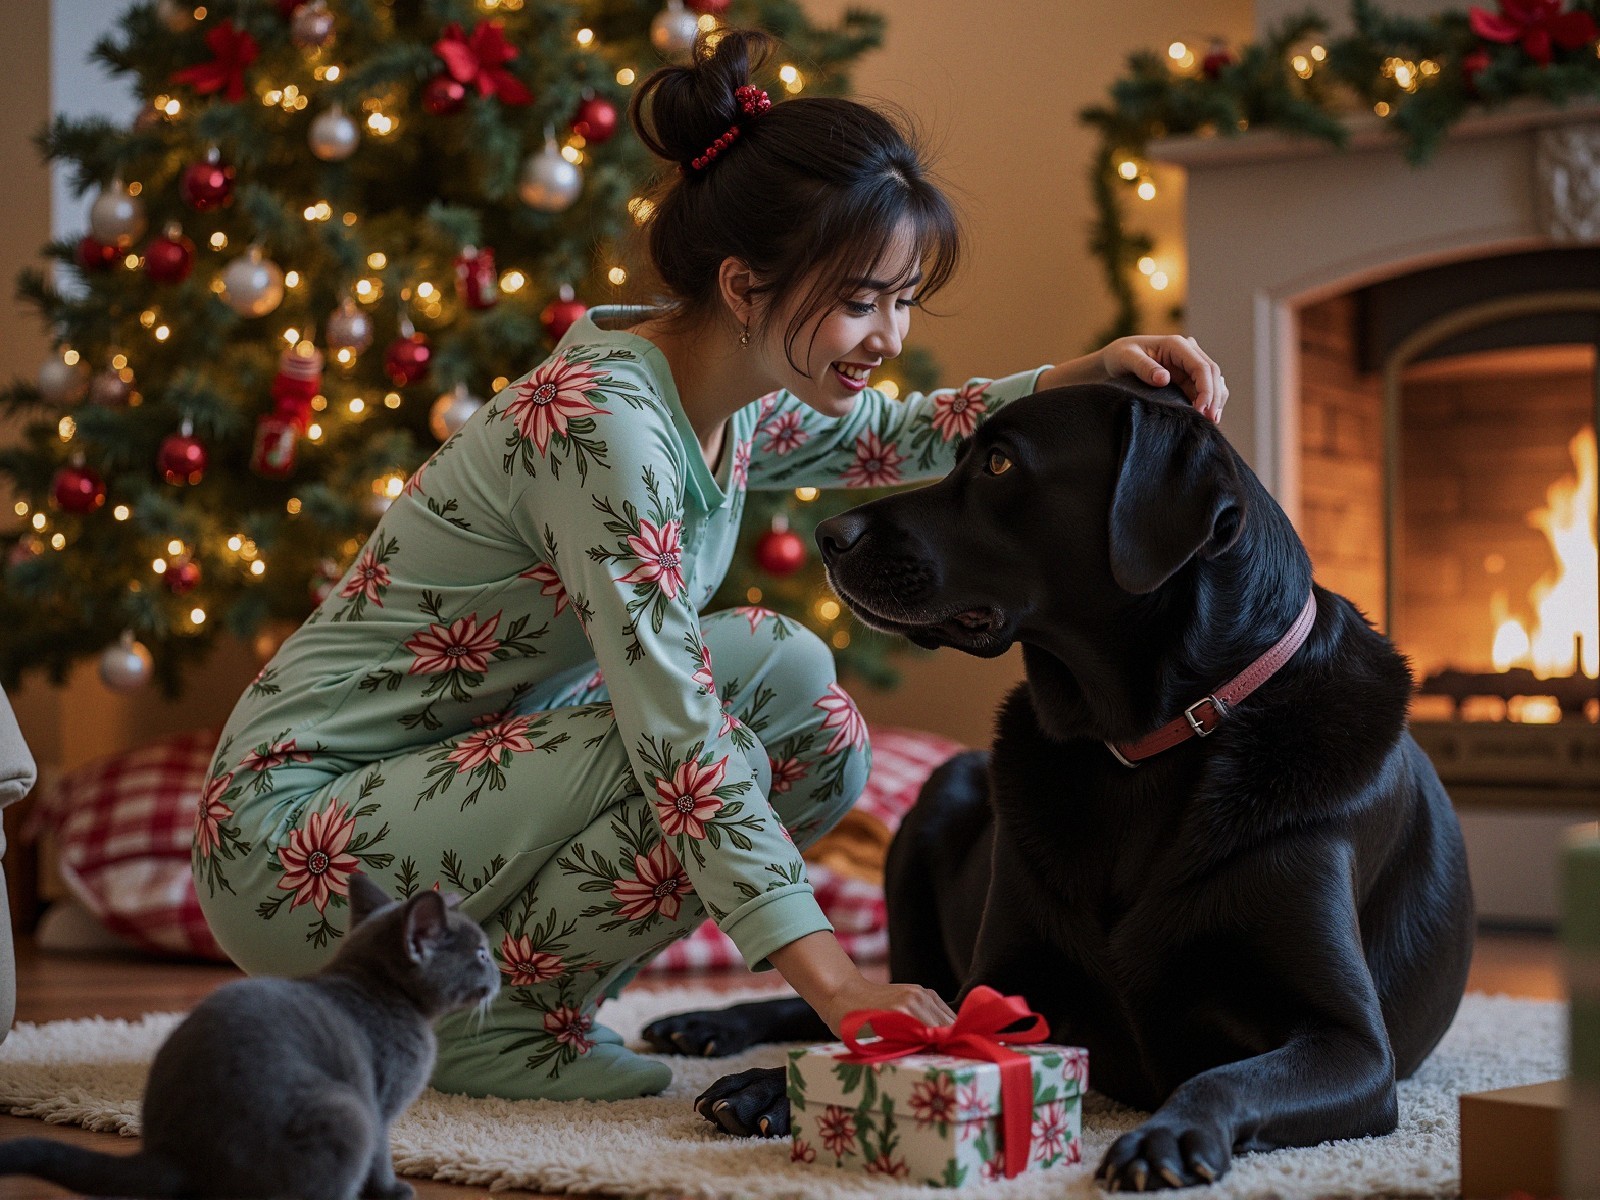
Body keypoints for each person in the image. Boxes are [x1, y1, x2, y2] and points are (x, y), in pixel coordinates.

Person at [191, 28, 1228, 1103]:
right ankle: (493, 1031)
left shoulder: (727, 399)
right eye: (862, 298)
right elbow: (671, 727)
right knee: (761, 664)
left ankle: (524, 1007)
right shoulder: (603, 430)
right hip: (302, 851)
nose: (888, 332)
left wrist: (1079, 374)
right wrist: (837, 987)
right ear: (744, 285)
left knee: (817, 732)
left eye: (905, 297)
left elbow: (902, 431)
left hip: (438, 815)